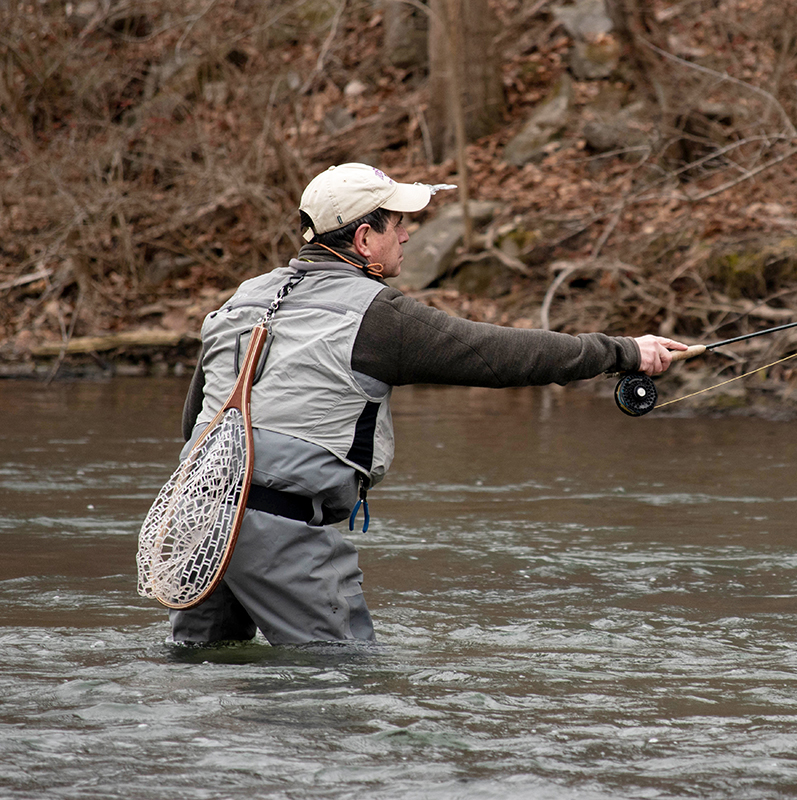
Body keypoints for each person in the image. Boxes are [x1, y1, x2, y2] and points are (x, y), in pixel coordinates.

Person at [169, 162, 686, 645]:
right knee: (340, 687)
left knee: (203, 674)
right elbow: (500, 356)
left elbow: (195, 419)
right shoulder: (379, 317)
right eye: (397, 223)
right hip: (278, 528)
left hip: (194, 518)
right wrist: (624, 352)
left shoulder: (244, 297)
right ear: (363, 237)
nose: (408, 234)